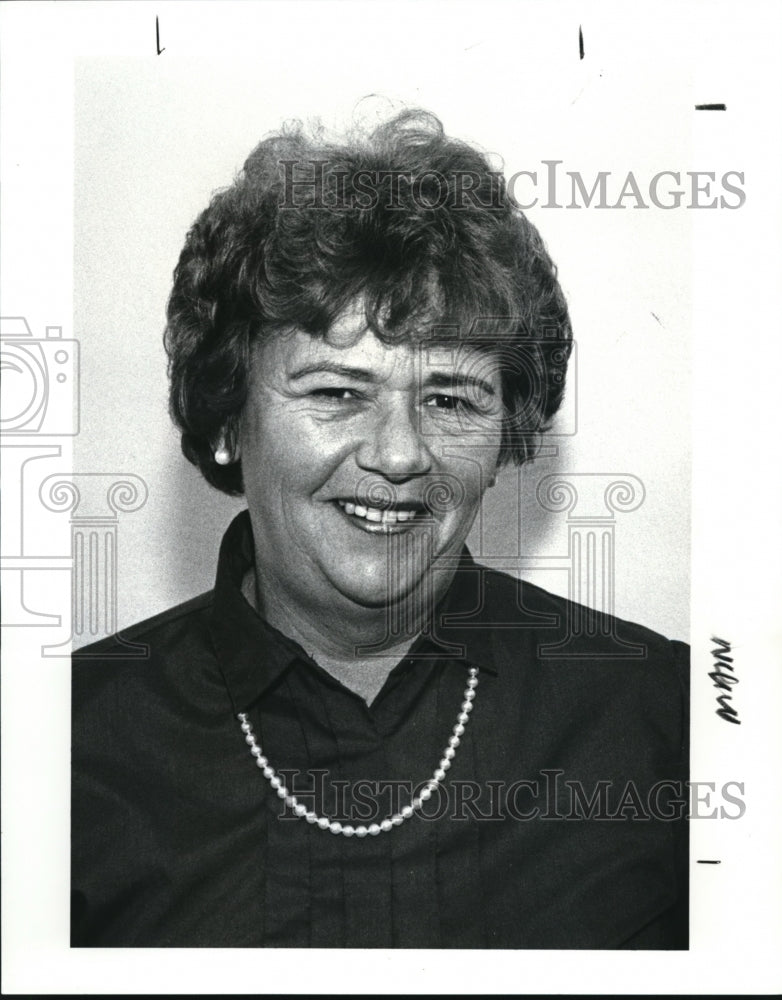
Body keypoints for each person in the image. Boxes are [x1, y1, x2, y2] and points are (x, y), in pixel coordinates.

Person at [71, 109, 689, 948]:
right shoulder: (61, 752)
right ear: (226, 415)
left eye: (449, 399)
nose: (400, 454)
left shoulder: (668, 725)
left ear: (506, 429)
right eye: (335, 391)